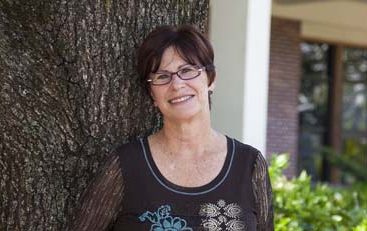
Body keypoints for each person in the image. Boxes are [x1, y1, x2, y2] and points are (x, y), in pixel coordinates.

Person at [67, 24, 274, 231]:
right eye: (162, 76)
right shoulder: (126, 165)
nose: (177, 85)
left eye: (187, 70)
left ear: (211, 80)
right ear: (152, 94)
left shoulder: (249, 166)